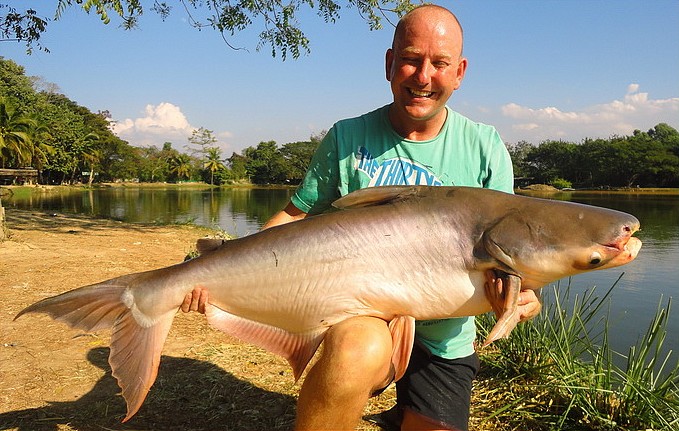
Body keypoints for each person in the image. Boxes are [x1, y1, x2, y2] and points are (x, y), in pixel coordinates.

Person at [182, 4, 542, 430]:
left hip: (446, 337)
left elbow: (508, 251)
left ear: (459, 72)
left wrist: (526, 296)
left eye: (439, 63)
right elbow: (294, 215)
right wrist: (221, 267)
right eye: (410, 59)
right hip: (365, 317)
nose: (423, 76)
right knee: (355, 351)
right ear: (390, 64)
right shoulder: (347, 137)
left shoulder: (485, 147)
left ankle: (405, 411)